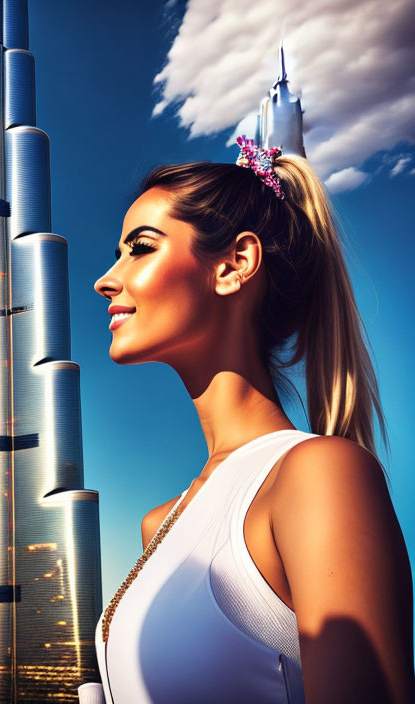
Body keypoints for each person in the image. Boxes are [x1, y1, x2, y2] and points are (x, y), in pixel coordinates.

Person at [90, 143, 414, 703]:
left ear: (235, 264)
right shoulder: (159, 523)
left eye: (140, 249)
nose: (106, 280)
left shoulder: (317, 476)